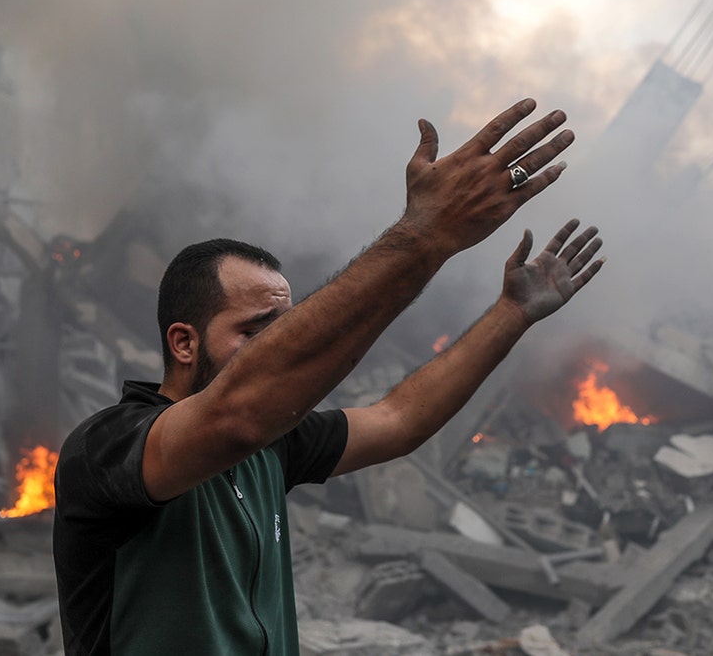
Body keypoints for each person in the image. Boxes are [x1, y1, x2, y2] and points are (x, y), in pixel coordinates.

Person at [52, 99, 606, 655]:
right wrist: (428, 234)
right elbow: (233, 417)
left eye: (287, 329)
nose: (281, 349)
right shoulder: (108, 449)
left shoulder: (271, 449)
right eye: (254, 331)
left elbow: (399, 420)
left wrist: (510, 314)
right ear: (184, 342)